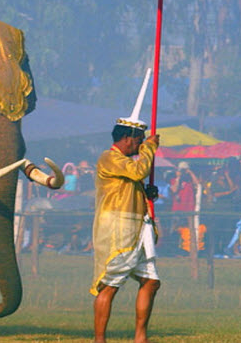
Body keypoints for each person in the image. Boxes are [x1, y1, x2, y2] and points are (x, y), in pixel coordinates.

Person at [91, 118, 160, 343]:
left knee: (151, 281)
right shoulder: (109, 158)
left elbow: (132, 183)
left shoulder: (123, 162)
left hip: (139, 226)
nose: (141, 144)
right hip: (119, 229)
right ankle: (99, 339)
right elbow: (139, 170)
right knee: (110, 285)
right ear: (127, 138)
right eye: (139, 140)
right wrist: (150, 148)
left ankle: (141, 336)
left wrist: (145, 194)